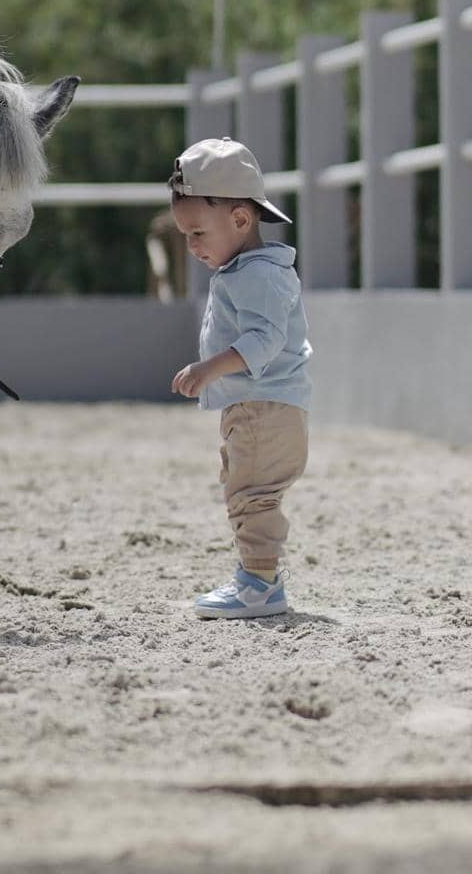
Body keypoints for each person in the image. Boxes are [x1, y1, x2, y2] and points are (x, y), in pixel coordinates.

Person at [168, 137, 311, 619]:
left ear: (240, 220)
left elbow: (264, 340)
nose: (191, 247)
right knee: (244, 489)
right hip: (257, 408)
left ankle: (260, 586)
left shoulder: (257, 275)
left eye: (197, 234)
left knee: (252, 495)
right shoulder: (245, 271)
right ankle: (257, 578)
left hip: (264, 407)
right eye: (185, 235)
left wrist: (209, 369)